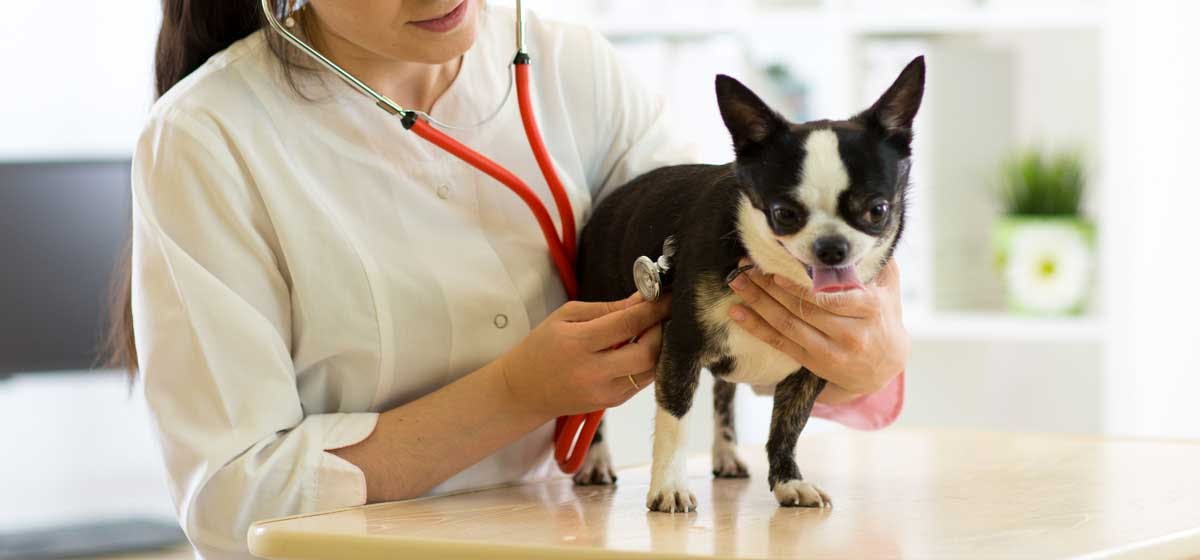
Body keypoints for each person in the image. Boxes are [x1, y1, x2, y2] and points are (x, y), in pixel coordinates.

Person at [105, 1, 909, 557]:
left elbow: (741, 277)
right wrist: (517, 395)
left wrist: (863, 361)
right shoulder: (208, 140)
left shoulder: (573, 68)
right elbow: (229, 504)